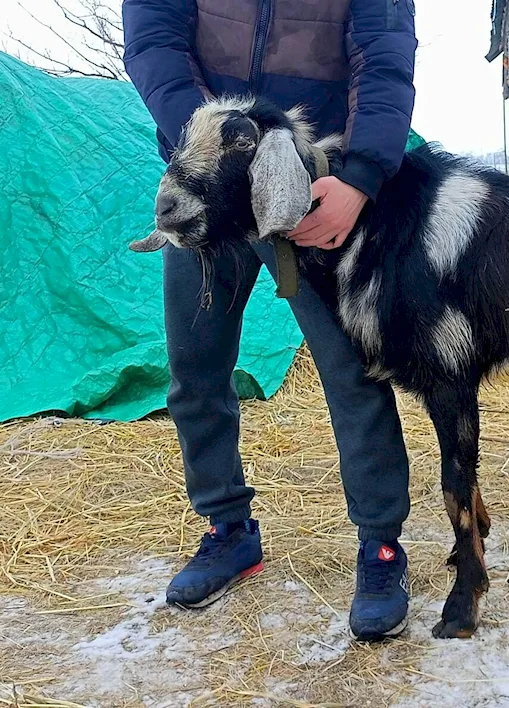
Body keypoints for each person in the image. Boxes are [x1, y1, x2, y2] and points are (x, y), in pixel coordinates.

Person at [122, 0, 417, 640]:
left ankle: (381, 545)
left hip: (315, 187)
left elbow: (385, 58)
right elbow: (154, 44)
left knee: (351, 371)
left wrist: (361, 175)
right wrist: (219, 146)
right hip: (210, 187)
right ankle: (227, 529)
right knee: (195, 369)